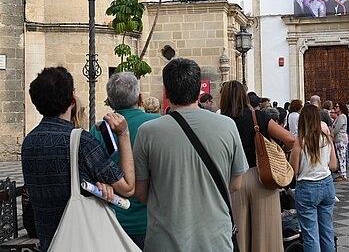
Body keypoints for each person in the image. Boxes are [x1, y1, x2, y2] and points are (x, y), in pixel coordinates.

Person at [133, 59, 248, 251]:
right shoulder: (227, 126)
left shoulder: (148, 132)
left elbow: (140, 192)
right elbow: (235, 184)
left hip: (165, 241)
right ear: (198, 90)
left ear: (167, 92)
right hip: (215, 240)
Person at [22, 67, 135, 252]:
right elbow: (128, 187)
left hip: (49, 243)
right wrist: (123, 134)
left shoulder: (29, 142)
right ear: (73, 100)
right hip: (80, 241)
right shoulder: (81, 140)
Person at [220, 80, 295, 252]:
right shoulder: (258, 117)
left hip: (232, 180)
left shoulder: (221, 121)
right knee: (266, 231)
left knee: (238, 232)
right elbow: (290, 139)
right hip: (262, 177)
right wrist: (282, 151)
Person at [90, 72, 161, 249]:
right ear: (140, 98)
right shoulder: (158, 123)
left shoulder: (99, 129)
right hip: (149, 220)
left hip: (113, 218)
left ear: (110, 100)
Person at [289, 104, 338, 252]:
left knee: (310, 233)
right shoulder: (326, 138)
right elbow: (334, 165)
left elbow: (294, 169)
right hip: (327, 184)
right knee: (327, 230)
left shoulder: (300, 141)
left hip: (307, 186)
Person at [333, 101, 349, 182]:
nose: (335, 108)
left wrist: (331, 135)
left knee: (341, 156)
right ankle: (342, 173)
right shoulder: (339, 117)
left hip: (341, 139)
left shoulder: (342, 117)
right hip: (338, 139)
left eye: (337, 107)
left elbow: (337, 129)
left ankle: (343, 174)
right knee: (340, 156)